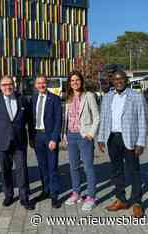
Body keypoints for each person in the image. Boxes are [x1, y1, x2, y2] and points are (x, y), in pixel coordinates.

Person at [97, 70, 148, 218]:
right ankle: (121, 199)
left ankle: (137, 202)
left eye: (121, 79)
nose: (118, 81)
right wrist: (101, 138)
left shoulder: (136, 96)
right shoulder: (107, 97)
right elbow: (104, 119)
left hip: (130, 139)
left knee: (134, 170)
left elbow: (142, 120)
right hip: (112, 138)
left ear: (126, 80)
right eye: (115, 79)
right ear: (112, 81)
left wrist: (141, 143)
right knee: (116, 170)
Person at [0, 75, 34, 210]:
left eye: (9, 84)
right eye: (4, 85)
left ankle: (24, 197)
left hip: (19, 142)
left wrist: (30, 136)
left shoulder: (22, 99)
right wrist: (2, 130)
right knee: (5, 170)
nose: (7, 87)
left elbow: (28, 119)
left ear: (13, 85)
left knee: (22, 170)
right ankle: (8, 195)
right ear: (0, 87)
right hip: (2, 141)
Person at [63, 71, 100, 211]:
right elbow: (66, 118)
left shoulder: (89, 96)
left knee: (88, 167)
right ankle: (76, 193)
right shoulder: (68, 97)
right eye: (72, 80)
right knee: (73, 167)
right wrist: (65, 134)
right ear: (69, 83)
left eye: (77, 80)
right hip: (71, 136)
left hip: (84, 136)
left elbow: (96, 116)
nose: (75, 82)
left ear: (81, 81)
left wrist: (91, 134)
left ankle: (91, 196)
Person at [30, 76, 62, 208]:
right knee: (42, 167)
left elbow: (58, 120)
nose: (41, 85)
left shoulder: (54, 98)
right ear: (35, 85)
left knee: (52, 167)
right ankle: (45, 190)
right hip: (37, 137)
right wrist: (31, 138)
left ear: (46, 84)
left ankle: (54, 195)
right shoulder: (33, 98)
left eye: (43, 83)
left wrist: (54, 138)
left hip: (49, 138)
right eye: (39, 83)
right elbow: (30, 119)